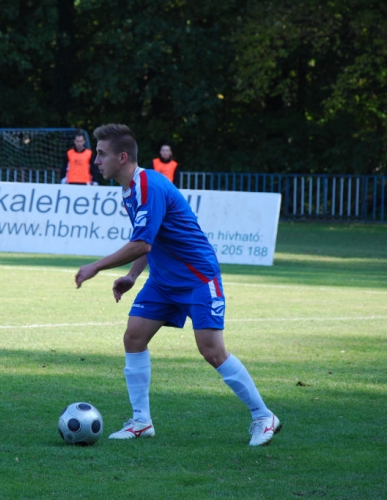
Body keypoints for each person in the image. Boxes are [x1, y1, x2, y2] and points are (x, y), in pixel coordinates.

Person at [75, 124, 281, 446]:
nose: (96, 160)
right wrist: (131, 276)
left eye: (101, 154)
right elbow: (151, 240)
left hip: (197, 277)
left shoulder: (149, 186)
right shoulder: (130, 189)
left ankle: (263, 415)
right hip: (163, 280)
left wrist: (96, 267)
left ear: (122, 156)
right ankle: (141, 422)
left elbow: (141, 243)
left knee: (212, 351)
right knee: (134, 336)